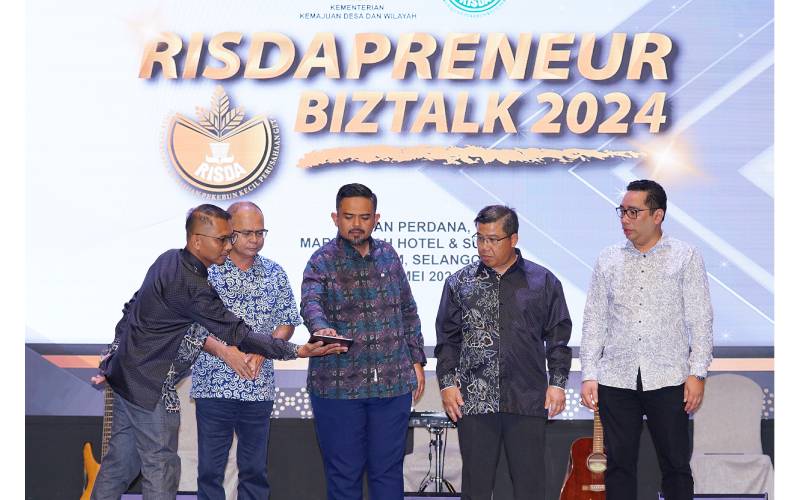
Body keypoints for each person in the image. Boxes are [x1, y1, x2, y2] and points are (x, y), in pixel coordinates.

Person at [90, 204, 345, 500]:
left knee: (120, 464)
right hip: (149, 384)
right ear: (197, 241)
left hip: (129, 378)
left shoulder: (168, 260)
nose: (229, 245)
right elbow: (236, 333)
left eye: (230, 238)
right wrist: (297, 350)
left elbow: (132, 306)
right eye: (223, 239)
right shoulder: (192, 284)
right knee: (161, 465)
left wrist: (115, 352)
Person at [580, 179, 713, 500]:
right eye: (622, 212)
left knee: (675, 465)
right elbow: (594, 320)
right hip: (616, 378)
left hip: (669, 377)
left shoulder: (685, 256)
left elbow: (701, 318)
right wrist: (589, 374)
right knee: (619, 466)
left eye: (633, 212)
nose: (625, 219)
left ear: (657, 215)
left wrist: (697, 373)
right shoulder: (607, 258)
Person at [435, 205, 572, 500]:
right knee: (477, 487)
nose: (485, 247)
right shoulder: (459, 283)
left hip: (526, 398)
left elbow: (559, 336)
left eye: (493, 239)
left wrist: (557, 384)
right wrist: (447, 384)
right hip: (474, 400)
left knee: (530, 486)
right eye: (480, 238)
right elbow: (447, 340)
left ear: (514, 239)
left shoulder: (543, 281)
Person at [300, 183, 426, 500]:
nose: (356, 224)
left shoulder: (389, 256)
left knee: (387, 474)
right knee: (344, 477)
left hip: (392, 385)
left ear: (376, 218)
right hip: (338, 387)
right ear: (335, 218)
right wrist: (322, 327)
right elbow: (310, 302)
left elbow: (408, 310)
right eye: (348, 216)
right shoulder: (321, 261)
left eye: (364, 217)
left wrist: (416, 360)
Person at [190, 201, 300, 500]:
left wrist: (264, 351)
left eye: (260, 232)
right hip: (214, 385)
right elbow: (191, 325)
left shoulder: (274, 272)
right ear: (229, 232)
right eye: (247, 232)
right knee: (211, 471)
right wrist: (227, 353)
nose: (255, 239)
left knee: (254, 470)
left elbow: (288, 319)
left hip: (257, 384)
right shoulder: (206, 271)